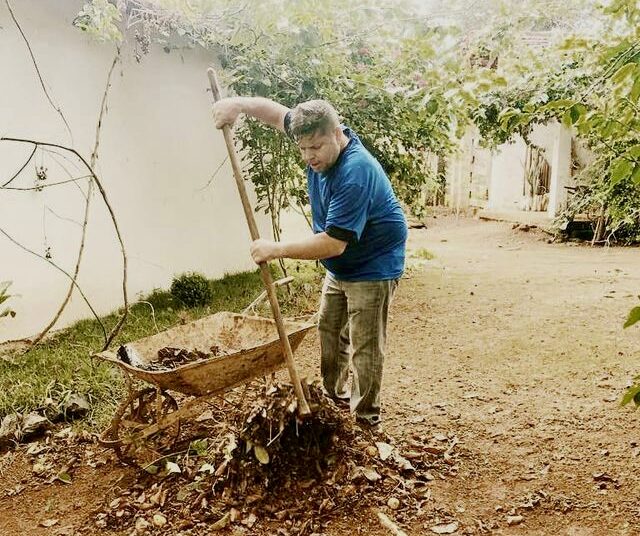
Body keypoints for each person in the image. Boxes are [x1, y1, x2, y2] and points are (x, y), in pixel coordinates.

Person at [213, 97, 407, 427]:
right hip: (342, 264)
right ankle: (334, 399)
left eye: (315, 147)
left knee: (365, 345)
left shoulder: (355, 172)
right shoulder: (310, 131)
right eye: (302, 148)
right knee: (329, 330)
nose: (307, 157)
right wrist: (237, 105)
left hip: (373, 263)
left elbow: (332, 243)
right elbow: (275, 114)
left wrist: (275, 249)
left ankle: (365, 421)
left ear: (336, 133)